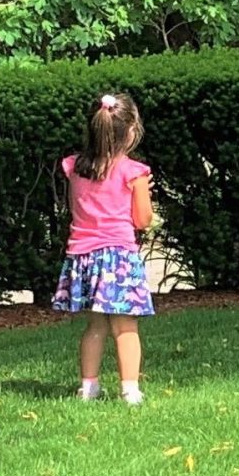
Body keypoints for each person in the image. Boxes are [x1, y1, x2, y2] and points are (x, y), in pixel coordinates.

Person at [52, 93, 154, 405]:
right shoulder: (133, 173)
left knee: (95, 325)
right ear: (132, 131)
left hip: (82, 256)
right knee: (125, 326)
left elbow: (74, 208)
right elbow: (143, 219)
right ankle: (130, 390)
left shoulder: (74, 167)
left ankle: (89, 387)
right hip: (118, 258)